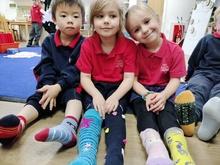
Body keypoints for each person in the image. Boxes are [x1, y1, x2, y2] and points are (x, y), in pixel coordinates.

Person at [0, 0, 85, 148]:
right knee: (37, 97)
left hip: (70, 84)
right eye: (64, 16)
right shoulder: (48, 42)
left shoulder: (85, 43)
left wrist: (58, 87)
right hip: (51, 86)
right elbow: (46, 66)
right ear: (54, 19)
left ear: (82, 19)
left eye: (76, 16)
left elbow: (77, 69)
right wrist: (48, 86)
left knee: (75, 96)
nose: (70, 20)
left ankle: (69, 127)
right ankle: (19, 123)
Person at [125, 3, 195, 165]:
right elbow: (133, 80)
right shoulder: (134, 52)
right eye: (136, 29)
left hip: (166, 91)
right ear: (133, 37)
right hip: (141, 92)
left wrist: (163, 96)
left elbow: (175, 80)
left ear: (157, 18)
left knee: (168, 116)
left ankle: (180, 151)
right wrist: (146, 95)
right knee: (145, 115)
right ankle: (156, 151)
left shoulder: (175, 50)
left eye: (147, 21)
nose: (144, 29)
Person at [69, 0, 137, 165]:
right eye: (100, 16)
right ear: (92, 21)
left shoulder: (128, 46)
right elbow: (84, 77)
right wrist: (96, 95)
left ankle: (115, 157)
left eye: (112, 16)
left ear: (120, 20)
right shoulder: (88, 44)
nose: (106, 21)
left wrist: (115, 97)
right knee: (92, 115)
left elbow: (129, 78)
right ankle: (86, 156)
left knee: (115, 118)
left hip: (118, 88)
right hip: (95, 87)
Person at [176, 7, 220, 142]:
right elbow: (194, 60)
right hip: (204, 74)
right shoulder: (207, 40)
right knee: (197, 90)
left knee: (217, 96)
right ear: (216, 24)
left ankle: (214, 116)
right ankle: (191, 117)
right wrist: (189, 77)